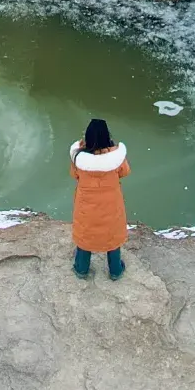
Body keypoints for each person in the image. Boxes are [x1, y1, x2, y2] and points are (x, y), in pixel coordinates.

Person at [69, 117, 129, 279]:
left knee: (85, 234)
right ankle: (115, 270)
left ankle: (81, 269)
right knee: (112, 235)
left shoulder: (79, 158)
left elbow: (74, 174)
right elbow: (125, 172)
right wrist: (111, 149)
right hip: (110, 205)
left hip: (86, 206)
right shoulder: (116, 158)